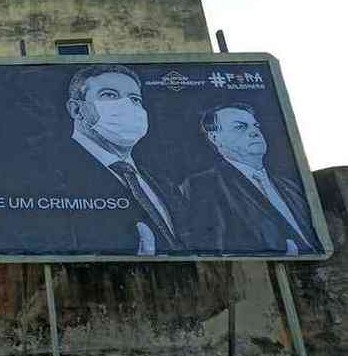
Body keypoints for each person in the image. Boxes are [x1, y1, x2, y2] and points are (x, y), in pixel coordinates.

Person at [58, 64, 188, 255]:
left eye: (135, 99)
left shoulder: (161, 181)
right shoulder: (50, 172)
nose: (127, 106)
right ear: (77, 110)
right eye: (109, 95)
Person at [180, 103, 320, 255]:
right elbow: (211, 247)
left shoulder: (290, 186)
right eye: (240, 127)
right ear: (215, 138)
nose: (254, 132)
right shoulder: (204, 185)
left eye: (256, 126)